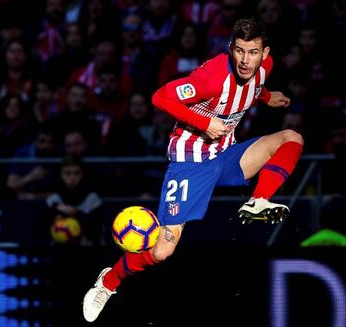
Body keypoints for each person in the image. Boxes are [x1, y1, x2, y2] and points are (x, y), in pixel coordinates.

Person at [82, 18, 304, 322]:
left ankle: (259, 201)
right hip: (190, 162)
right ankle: (108, 282)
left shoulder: (265, 68)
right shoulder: (212, 78)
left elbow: (256, 86)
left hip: (226, 155)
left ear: (265, 54)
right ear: (231, 49)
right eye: (239, 51)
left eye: (252, 52)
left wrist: (268, 97)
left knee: (292, 138)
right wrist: (205, 123)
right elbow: (160, 97)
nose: (244, 60)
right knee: (162, 252)